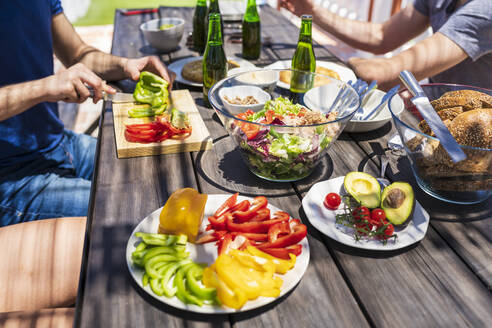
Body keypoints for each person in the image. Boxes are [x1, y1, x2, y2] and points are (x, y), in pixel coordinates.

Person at [0, 0, 174, 227]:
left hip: (58, 143)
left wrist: (126, 65)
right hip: (11, 179)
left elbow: (77, 53)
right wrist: (45, 88)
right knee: (139, 207)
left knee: (162, 175)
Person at [279, 0, 492, 90]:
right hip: (433, 108)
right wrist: (312, 12)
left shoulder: (484, 10)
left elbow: (384, 75)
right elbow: (381, 37)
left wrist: (339, 64)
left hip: (475, 137)